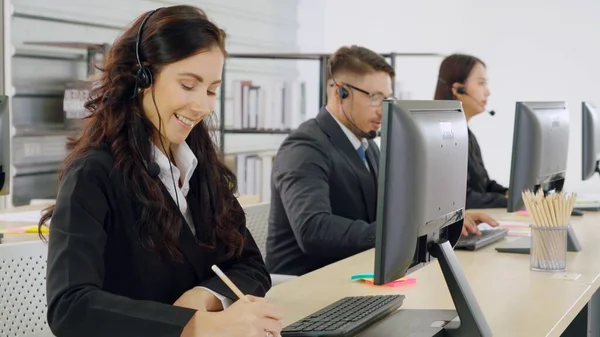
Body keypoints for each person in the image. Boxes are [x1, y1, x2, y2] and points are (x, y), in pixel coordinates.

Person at [38, 6, 283, 337]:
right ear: (143, 77)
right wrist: (199, 326)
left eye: (211, 90)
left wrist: (204, 297)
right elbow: (71, 307)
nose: (203, 106)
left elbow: (250, 264)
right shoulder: (93, 174)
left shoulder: (199, 165)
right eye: (187, 85)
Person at [265, 46, 495, 277]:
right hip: (307, 284)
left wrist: (446, 222)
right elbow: (314, 230)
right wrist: (402, 233)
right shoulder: (304, 148)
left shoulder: (367, 146)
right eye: (375, 98)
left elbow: (390, 209)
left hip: (356, 273)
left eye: (387, 99)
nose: (383, 110)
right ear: (340, 92)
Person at [434, 53, 509, 209]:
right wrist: (507, 202)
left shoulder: (465, 133)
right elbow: (462, 199)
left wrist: (511, 194)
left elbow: (483, 185)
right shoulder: (442, 137)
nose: (487, 92)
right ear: (458, 89)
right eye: (481, 83)